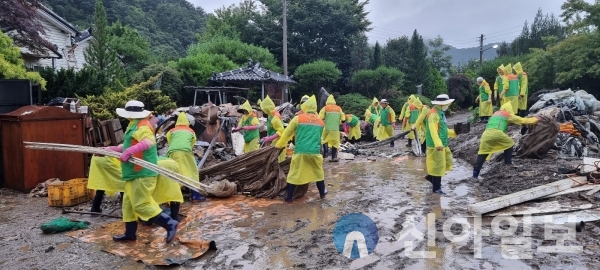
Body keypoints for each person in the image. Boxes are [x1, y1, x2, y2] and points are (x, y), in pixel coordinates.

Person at [109, 100, 178, 243]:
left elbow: (148, 142)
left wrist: (129, 151)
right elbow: (130, 144)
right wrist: (113, 149)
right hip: (132, 173)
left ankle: (169, 223)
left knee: (142, 204)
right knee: (128, 205)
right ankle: (130, 234)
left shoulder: (142, 125)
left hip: (142, 172)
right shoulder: (133, 124)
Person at [88, 156, 185, 219]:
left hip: (154, 166)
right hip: (166, 164)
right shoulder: (144, 140)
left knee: (147, 193)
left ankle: (148, 220)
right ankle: (173, 217)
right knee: (173, 192)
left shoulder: (132, 147)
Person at [276, 96, 327, 202]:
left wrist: (279, 145)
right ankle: (322, 193)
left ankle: (289, 197)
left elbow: (287, 133)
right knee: (318, 173)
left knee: (294, 174)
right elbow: (320, 138)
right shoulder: (321, 122)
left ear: (305, 106)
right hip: (314, 152)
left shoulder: (298, 118)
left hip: (300, 151)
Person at [472, 103, 538, 179]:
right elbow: (525, 121)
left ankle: (475, 176)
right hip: (497, 133)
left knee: (482, 154)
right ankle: (508, 163)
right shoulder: (508, 115)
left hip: (486, 134)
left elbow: (502, 122)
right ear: (509, 109)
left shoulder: (495, 114)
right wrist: (537, 118)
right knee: (510, 144)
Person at [166, 112, 205, 203]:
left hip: (172, 152)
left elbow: (169, 142)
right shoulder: (191, 131)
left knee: (174, 173)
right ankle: (195, 196)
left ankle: (173, 199)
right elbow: (192, 143)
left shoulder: (171, 131)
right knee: (193, 172)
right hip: (186, 152)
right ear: (187, 121)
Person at [425, 94, 457, 195]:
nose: (448, 105)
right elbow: (433, 130)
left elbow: (443, 129)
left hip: (442, 143)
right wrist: (438, 144)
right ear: (442, 104)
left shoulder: (440, 113)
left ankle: (430, 177)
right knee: (438, 166)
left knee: (446, 161)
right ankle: (436, 188)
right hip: (436, 145)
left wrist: (455, 132)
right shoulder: (433, 114)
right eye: (447, 104)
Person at [260, 96, 287, 162]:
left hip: (279, 141)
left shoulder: (275, 118)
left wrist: (269, 138)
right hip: (275, 140)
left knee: (278, 160)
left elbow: (281, 131)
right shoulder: (271, 114)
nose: (263, 110)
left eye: (263, 109)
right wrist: (268, 137)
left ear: (267, 108)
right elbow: (272, 129)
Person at [319, 95, 345, 161]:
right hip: (335, 129)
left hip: (327, 128)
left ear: (327, 101)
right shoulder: (338, 108)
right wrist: (342, 120)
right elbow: (343, 117)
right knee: (335, 142)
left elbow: (320, 117)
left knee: (324, 140)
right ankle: (333, 157)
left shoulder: (325, 108)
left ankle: (325, 154)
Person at [514, 62, 530, 135]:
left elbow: (524, 85)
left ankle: (522, 118)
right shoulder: (518, 75)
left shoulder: (523, 75)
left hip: (523, 93)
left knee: (522, 105)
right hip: (518, 93)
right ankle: (519, 118)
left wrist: (522, 94)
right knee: (519, 105)